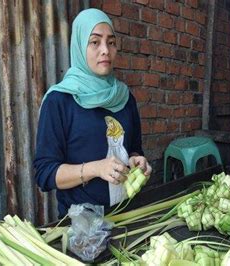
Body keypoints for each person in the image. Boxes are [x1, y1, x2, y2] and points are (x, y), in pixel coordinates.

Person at [33, 8, 152, 218]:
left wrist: (136, 161)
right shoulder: (60, 100)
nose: (105, 50)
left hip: (126, 213)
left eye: (111, 42)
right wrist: (96, 169)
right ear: (80, 46)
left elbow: (133, 149)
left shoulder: (124, 97)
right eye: (95, 42)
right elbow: (45, 173)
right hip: (82, 224)